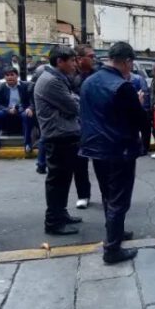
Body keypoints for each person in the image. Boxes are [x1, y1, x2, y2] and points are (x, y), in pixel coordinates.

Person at [80, 42, 146, 264]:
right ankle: (112, 248)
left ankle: (114, 232)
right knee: (119, 199)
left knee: (108, 194)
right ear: (127, 61)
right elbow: (138, 119)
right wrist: (139, 102)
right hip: (119, 149)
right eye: (131, 64)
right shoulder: (122, 86)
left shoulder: (89, 81)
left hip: (96, 147)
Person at [34, 46, 84, 235]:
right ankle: (53, 222)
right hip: (58, 136)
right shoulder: (52, 81)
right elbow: (73, 106)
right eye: (71, 61)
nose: (74, 64)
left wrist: (74, 99)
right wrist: (74, 100)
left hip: (65, 134)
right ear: (60, 61)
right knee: (57, 181)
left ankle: (61, 214)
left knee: (63, 180)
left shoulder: (58, 79)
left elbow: (73, 101)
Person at [68, 45, 97, 208]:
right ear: (80, 59)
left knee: (103, 162)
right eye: (90, 56)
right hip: (78, 124)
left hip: (97, 124)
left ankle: (109, 197)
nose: (94, 59)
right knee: (79, 162)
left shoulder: (98, 74)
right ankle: (83, 194)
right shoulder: (70, 76)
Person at [0, 68, 34, 154]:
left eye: (12, 75)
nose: (10, 77)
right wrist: (7, 110)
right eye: (7, 75)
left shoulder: (25, 86)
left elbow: (32, 101)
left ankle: (27, 143)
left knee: (27, 115)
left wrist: (30, 108)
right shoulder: (0, 87)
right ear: (4, 77)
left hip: (22, 109)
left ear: (17, 76)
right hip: (6, 110)